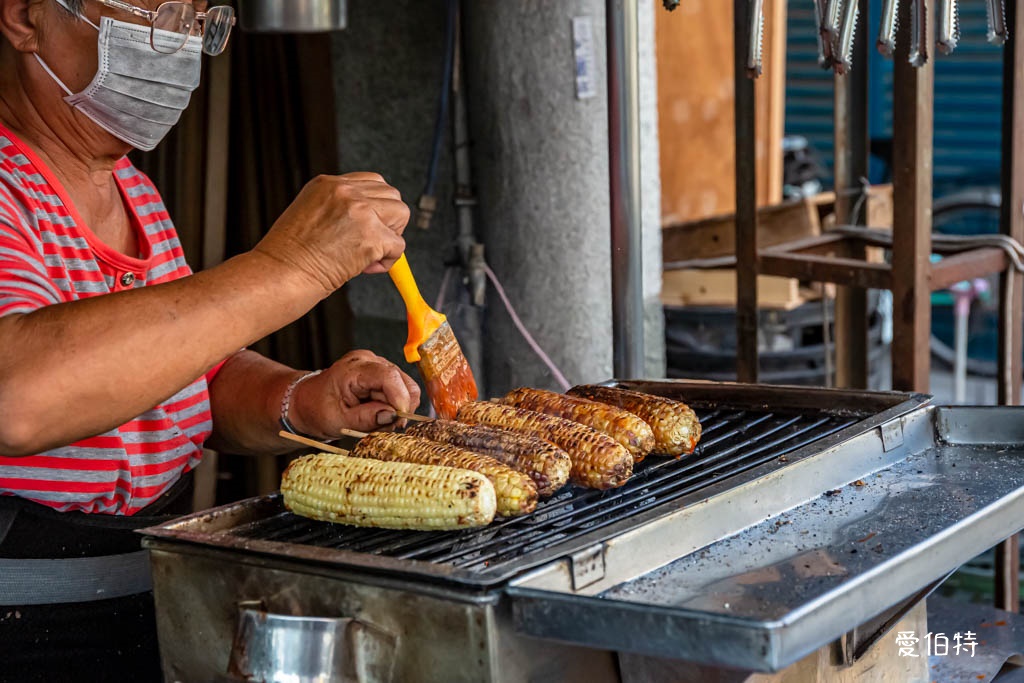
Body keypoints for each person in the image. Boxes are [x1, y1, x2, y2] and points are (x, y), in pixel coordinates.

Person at [0, 0, 421, 679]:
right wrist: (288, 268)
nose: (179, 43)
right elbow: (16, 394)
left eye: (197, 21)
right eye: (157, 11)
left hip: (146, 608)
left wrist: (302, 398)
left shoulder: (135, 192)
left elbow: (186, 368)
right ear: (25, 17)